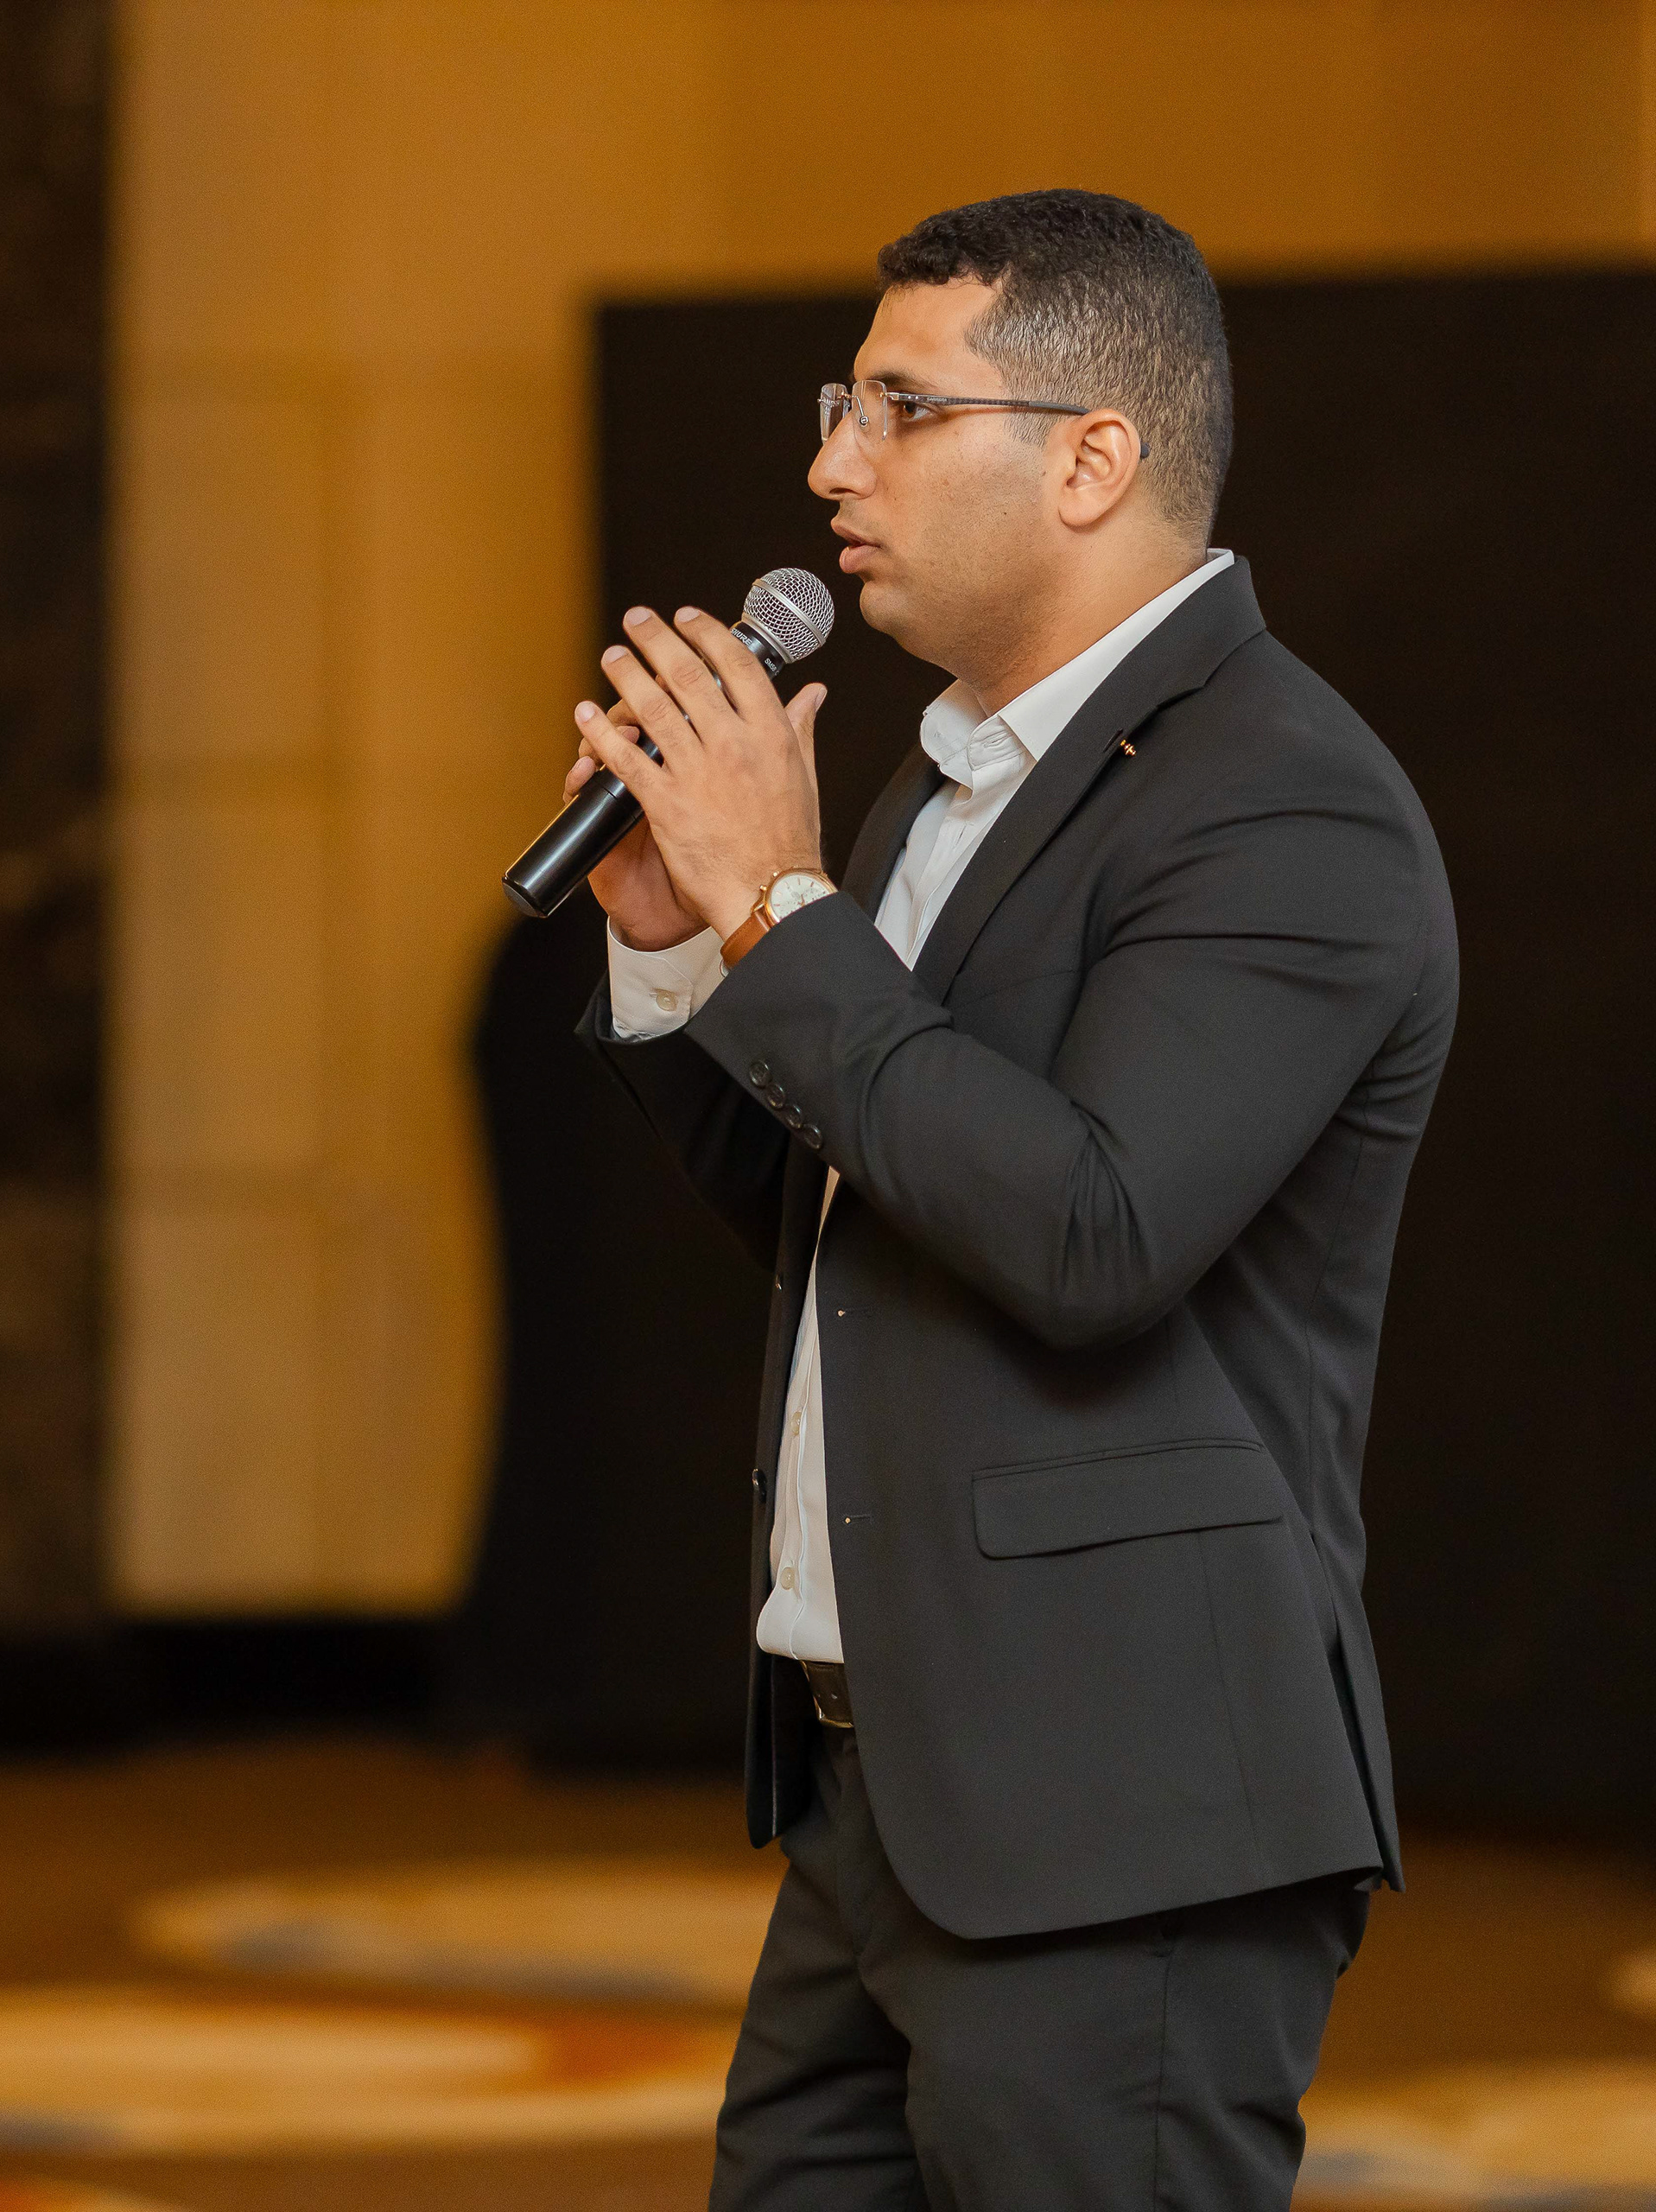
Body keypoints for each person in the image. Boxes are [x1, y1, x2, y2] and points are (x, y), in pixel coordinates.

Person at [566, 190, 1456, 2208]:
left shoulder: (1282, 797)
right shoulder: (957, 780)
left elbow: (1090, 1233)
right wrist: (686, 945)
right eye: (838, 405)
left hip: (1116, 1802)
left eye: (898, 407)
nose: (831, 465)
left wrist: (782, 905)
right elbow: (863, 1216)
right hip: (890, 1781)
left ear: (1091, 457)